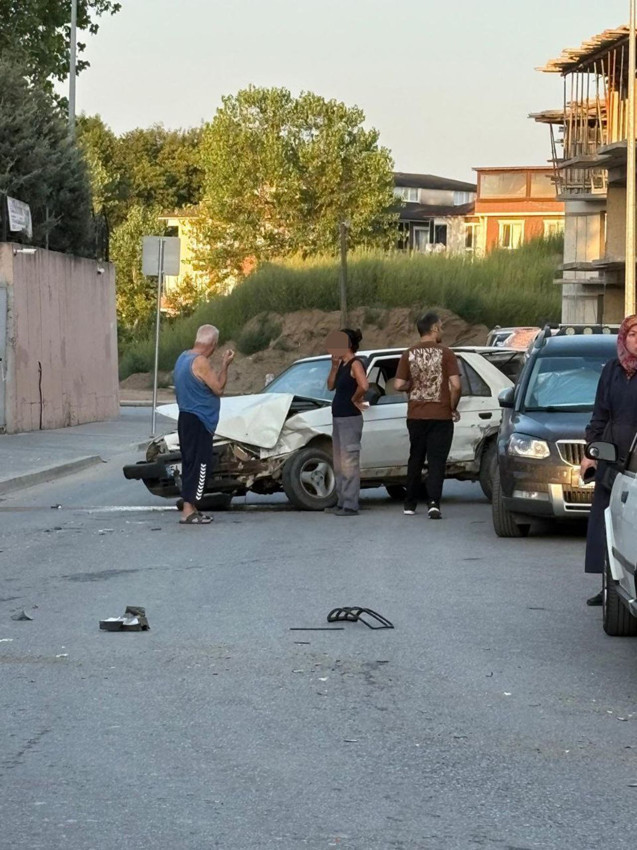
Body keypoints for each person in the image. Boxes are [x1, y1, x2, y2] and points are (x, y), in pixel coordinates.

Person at [580, 314, 637, 605]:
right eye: (633, 334)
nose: (636, 340)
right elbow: (599, 414)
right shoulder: (612, 371)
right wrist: (591, 451)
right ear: (623, 339)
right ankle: (609, 589)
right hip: (612, 455)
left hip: (636, 459)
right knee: (607, 522)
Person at [394, 311, 461, 519]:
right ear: (433, 329)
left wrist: (412, 386)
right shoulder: (446, 353)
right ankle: (433, 504)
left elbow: (398, 384)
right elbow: (456, 386)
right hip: (440, 416)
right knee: (436, 461)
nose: (442, 330)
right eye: (440, 326)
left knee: (415, 457)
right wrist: (452, 407)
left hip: (415, 415)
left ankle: (410, 504)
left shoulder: (408, 353)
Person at [173, 324, 234, 525]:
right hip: (199, 421)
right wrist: (225, 365)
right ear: (213, 344)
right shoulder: (201, 362)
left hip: (186, 418)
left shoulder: (183, 358)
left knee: (190, 463)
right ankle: (188, 510)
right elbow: (218, 388)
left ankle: (192, 509)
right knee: (201, 466)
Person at [325, 328, 369, 516]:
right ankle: (342, 501)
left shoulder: (355, 363)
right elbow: (330, 386)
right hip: (339, 418)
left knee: (349, 462)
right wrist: (334, 366)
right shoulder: (342, 364)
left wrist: (354, 398)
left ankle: (350, 505)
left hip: (350, 418)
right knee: (339, 462)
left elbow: (364, 385)